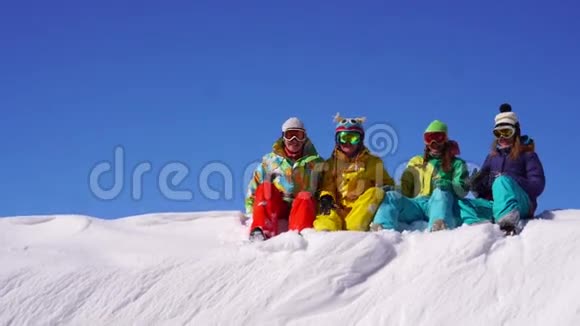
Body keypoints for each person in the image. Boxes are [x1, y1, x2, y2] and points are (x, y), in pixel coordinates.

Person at [370, 119, 481, 232]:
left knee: (440, 192)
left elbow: (461, 191)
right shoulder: (417, 161)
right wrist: (394, 189)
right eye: (429, 138)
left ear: (446, 140)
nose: (434, 143)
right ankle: (382, 229)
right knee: (391, 196)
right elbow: (406, 188)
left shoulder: (456, 163)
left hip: (439, 203)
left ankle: (439, 225)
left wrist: (448, 185)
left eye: (438, 138)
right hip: (416, 205)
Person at [466, 103, 546, 234]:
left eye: (507, 132)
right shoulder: (492, 157)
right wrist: (477, 185)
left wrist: (510, 180)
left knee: (502, 181)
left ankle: (507, 221)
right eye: (498, 133)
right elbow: (484, 185)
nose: (502, 137)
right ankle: (478, 224)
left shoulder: (527, 155)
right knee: (463, 203)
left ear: (516, 133)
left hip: (521, 202)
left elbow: (538, 185)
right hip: (496, 203)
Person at [245, 117, 325, 241]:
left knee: (305, 196)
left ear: (304, 138)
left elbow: (325, 186)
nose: (294, 140)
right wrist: (250, 211)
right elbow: (255, 186)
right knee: (266, 188)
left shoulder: (316, 163)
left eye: (298, 135)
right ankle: (262, 231)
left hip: (302, 206)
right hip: (278, 205)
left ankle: (299, 234)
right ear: (283, 137)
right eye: (290, 135)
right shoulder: (271, 161)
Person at [313, 113, 395, 232]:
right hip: (337, 207)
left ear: (360, 140)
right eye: (344, 137)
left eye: (353, 138)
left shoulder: (373, 162)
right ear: (337, 140)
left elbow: (388, 185)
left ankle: (354, 229)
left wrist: (385, 189)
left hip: (360, 208)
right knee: (326, 219)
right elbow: (327, 186)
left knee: (375, 192)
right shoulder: (330, 164)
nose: (348, 143)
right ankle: (325, 234)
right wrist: (326, 197)